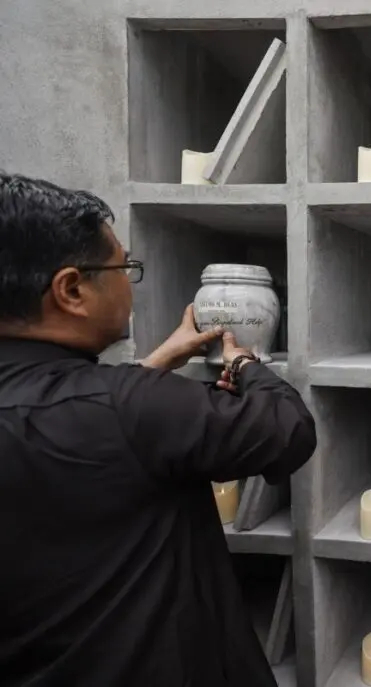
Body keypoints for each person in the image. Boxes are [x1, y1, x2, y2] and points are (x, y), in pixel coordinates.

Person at [0, 173, 317, 687]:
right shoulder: (132, 408)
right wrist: (244, 365)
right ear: (72, 289)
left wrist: (151, 365)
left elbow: (77, 413)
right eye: (124, 266)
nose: (130, 280)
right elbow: (286, 430)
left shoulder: (116, 404)